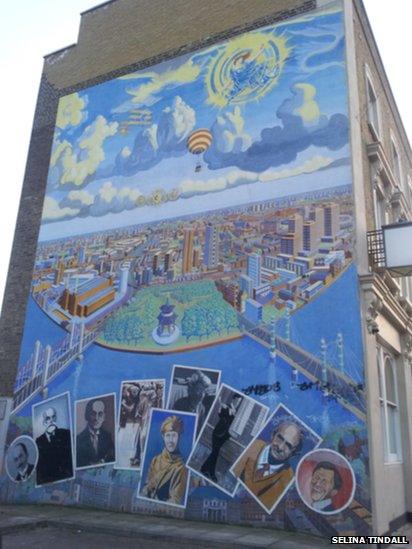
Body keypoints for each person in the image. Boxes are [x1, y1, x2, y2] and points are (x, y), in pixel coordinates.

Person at [233, 421, 302, 511]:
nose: (280, 447)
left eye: (288, 445)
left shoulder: (288, 477)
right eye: (280, 438)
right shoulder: (254, 445)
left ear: (293, 452)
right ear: (273, 435)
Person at [141, 415, 187, 505]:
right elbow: (146, 486)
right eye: (167, 435)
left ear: (179, 437)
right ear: (163, 436)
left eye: (174, 435)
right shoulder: (156, 460)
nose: (170, 440)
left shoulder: (181, 468)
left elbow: (175, 500)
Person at [200, 393, 243, 483]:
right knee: (215, 453)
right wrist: (222, 407)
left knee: (215, 452)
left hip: (225, 436)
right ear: (233, 400)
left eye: (239, 402)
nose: (238, 403)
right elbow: (220, 414)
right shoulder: (226, 406)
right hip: (218, 433)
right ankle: (211, 473)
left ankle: (204, 469)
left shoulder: (235, 411)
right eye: (237, 401)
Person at [35, 406, 73, 485]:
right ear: (43, 422)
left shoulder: (66, 434)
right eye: (48, 418)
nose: (51, 421)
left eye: (53, 417)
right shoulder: (38, 442)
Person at [172, 370, 213, 435]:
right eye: (199, 390)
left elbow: (198, 431)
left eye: (204, 391)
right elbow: (172, 425)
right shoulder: (180, 403)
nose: (202, 394)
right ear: (191, 390)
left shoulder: (202, 409)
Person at [76, 399, 115, 467]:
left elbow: (112, 458)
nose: (96, 418)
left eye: (100, 414)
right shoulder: (78, 439)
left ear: (104, 417)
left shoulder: (107, 436)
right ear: (87, 415)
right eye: (93, 413)